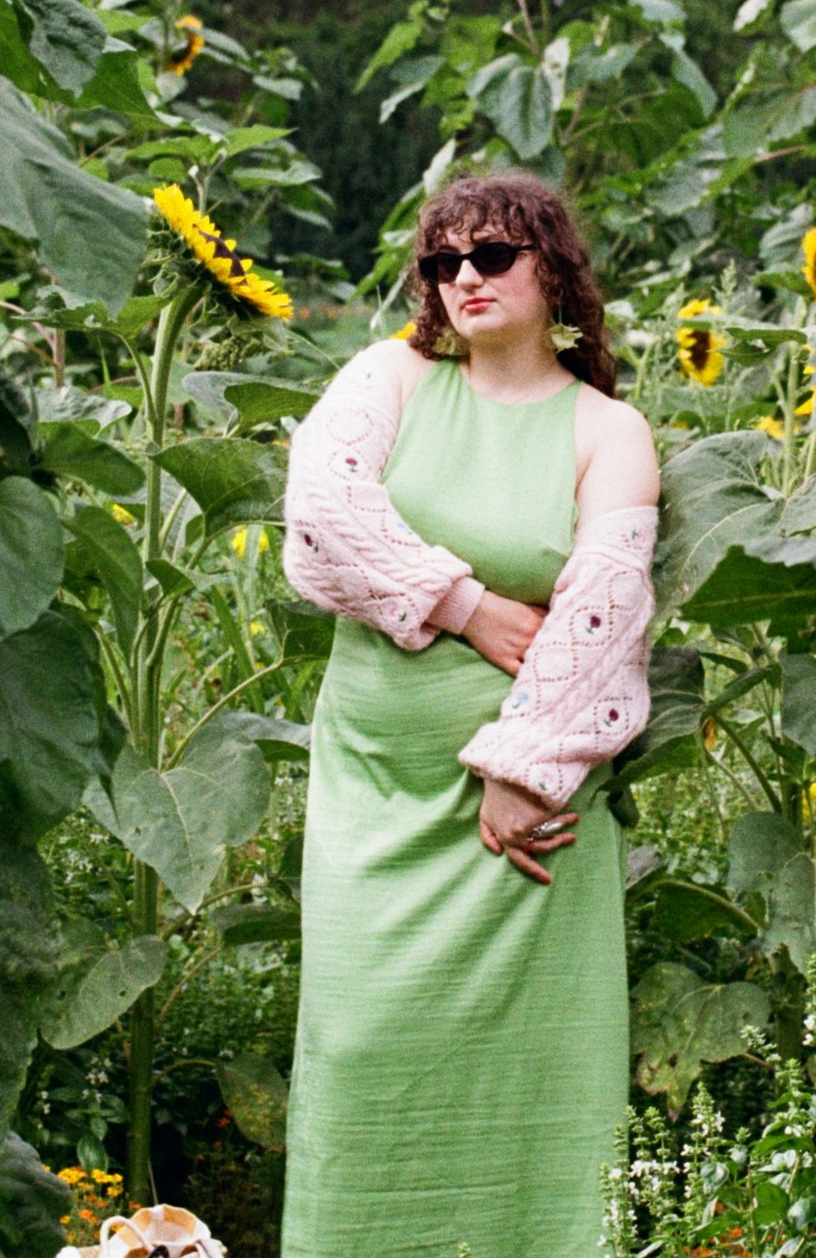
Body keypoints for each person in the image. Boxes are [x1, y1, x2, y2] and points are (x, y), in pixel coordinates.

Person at [276, 171, 663, 1258]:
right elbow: (321, 516)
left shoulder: (608, 430)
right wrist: (468, 605)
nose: (464, 279)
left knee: (526, 1084)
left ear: (556, 273)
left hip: (517, 826)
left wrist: (523, 764)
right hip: (371, 803)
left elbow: (606, 606)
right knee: (361, 1056)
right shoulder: (387, 378)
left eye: (492, 255)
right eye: (443, 262)